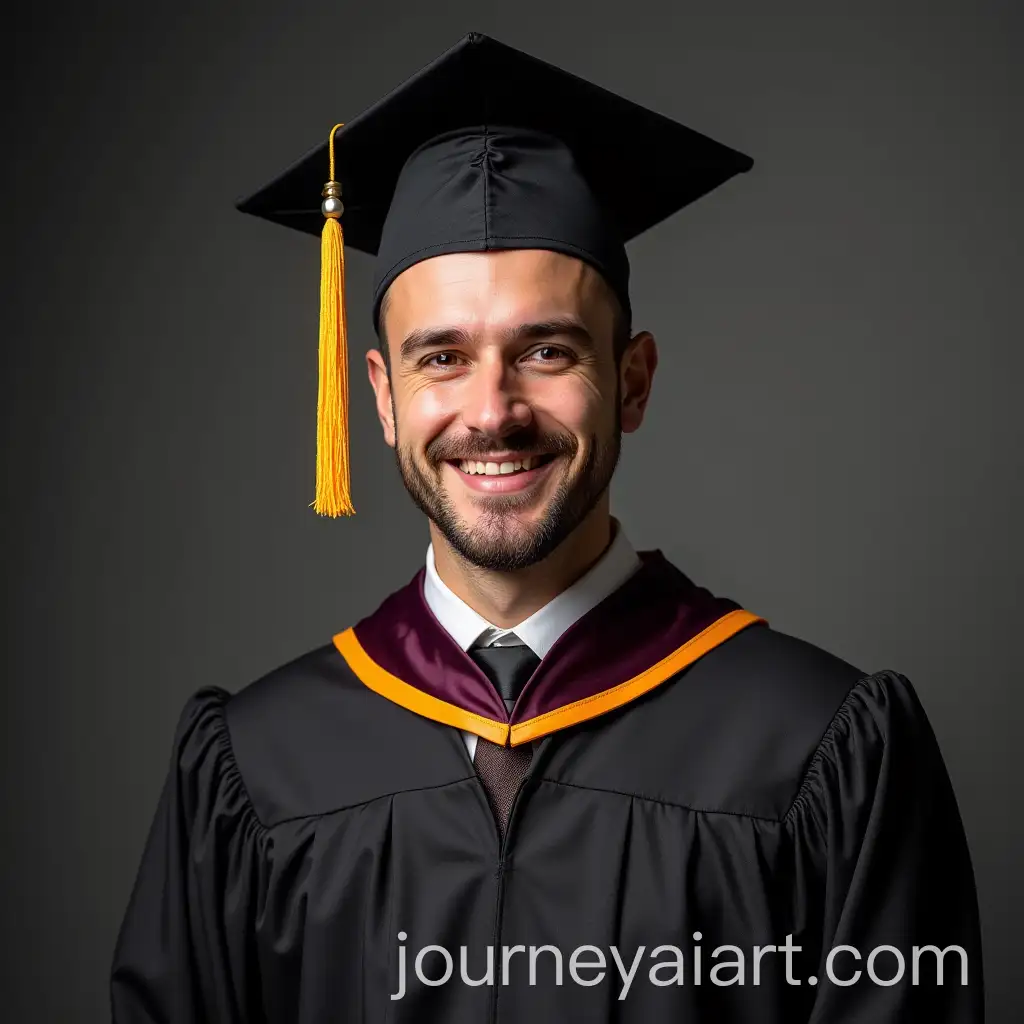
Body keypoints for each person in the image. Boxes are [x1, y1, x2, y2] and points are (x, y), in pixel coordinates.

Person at [110, 31, 983, 1023]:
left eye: (545, 350)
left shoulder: (819, 750)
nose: (493, 410)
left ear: (634, 379)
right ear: (382, 398)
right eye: (441, 357)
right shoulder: (256, 768)